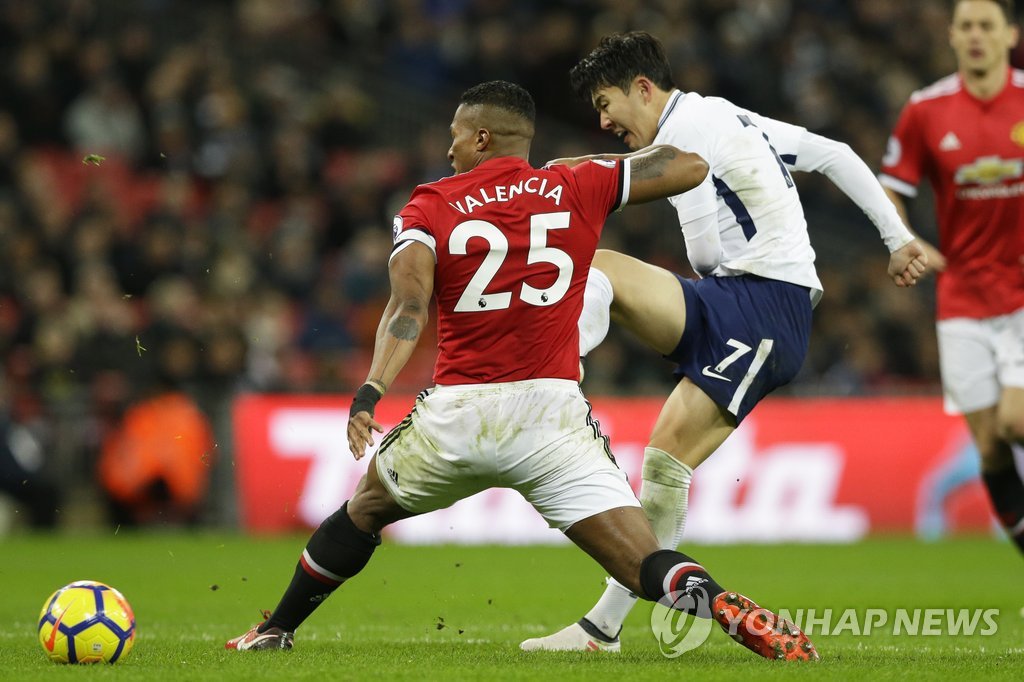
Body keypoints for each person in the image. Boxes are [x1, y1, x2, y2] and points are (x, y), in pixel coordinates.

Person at [225, 80, 818, 661]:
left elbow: (407, 307)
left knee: (364, 510)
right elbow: (687, 166)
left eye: (457, 136)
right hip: (551, 417)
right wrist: (590, 166)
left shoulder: (430, 204)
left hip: (458, 414)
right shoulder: (575, 184)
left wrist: (371, 389)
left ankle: (276, 629)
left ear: (482, 137)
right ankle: (727, 609)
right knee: (642, 562)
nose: (449, 149)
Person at [521, 31, 928, 652]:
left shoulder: (691, 131)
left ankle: (549, 380)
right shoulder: (722, 115)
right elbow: (835, 153)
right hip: (735, 300)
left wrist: (609, 179)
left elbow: (706, 253)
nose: (603, 121)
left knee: (664, 457)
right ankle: (601, 626)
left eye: (606, 104)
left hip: (763, 307)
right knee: (604, 281)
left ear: (642, 88)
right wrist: (897, 239)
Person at [879, 0, 1024, 557]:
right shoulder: (927, 109)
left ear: (1011, 35)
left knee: (1015, 421)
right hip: (962, 299)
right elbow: (890, 187)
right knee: (989, 449)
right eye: (966, 26)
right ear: (952, 36)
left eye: (987, 25)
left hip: (1020, 295)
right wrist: (905, 238)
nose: (976, 35)